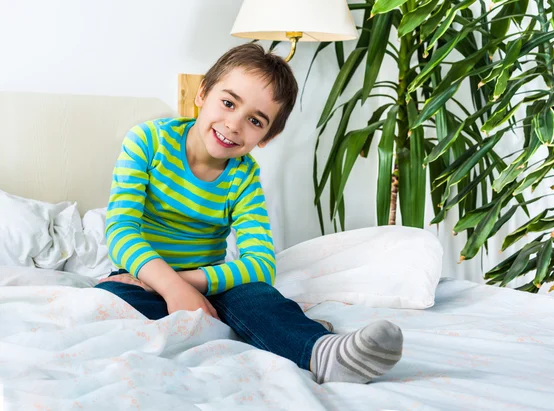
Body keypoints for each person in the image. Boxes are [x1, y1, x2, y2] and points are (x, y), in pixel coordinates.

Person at [95, 43, 403, 384]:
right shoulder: (147, 141)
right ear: (201, 94)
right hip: (142, 276)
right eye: (228, 103)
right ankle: (274, 328)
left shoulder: (243, 178)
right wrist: (164, 285)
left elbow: (261, 264)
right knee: (111, 300)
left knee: (255, 295)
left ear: (267, 137)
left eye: (255, 121)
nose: (234, 124)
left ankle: (321, 351)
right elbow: (122, 230)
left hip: (207, 281)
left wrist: (181, 285)